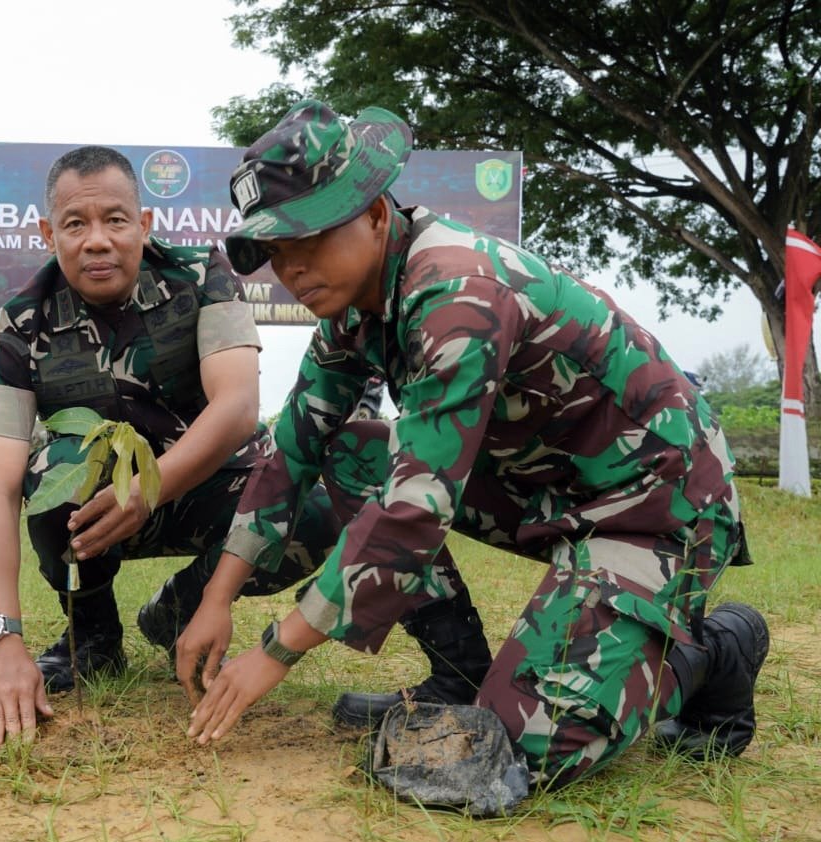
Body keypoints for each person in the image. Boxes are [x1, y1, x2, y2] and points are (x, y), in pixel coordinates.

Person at [178, 100, 767, 795]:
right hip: (549, 490)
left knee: (503, 756)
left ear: (373, 215)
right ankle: (453, 677)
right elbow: (292, 453)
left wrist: (273, 650)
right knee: (352, 451)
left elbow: (413, 512)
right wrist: (217, 597)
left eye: (309, 239)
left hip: (661, 504)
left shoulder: (455, 289)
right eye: (277, 253)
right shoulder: (353, 314)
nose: (294, 269)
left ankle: (715, 650)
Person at [0, 145, 335, 745]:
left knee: (310, 508)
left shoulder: (202, 277)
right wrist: (1, 639)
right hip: (97, 511)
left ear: (143, 225)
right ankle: (92, 637)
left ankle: (181, 607)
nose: (96, 240)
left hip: (208, 487)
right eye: (75, 224)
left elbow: (238, 408)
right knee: (52, 472)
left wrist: (150, 487)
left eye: (115, 220)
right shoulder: (20, 325)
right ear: (47, 233)